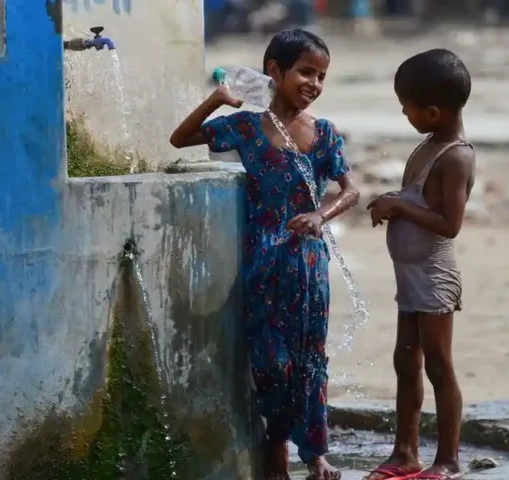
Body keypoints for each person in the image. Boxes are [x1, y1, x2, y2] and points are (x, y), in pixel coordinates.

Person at [169, 29, 359, 480]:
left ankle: (316, 455)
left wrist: (319, 214)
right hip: (263, 262)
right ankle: (275, 448)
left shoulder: (324, 133)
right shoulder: (247, 127)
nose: (314, 83)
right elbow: (181, 138)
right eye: (305, 72)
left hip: (309, 265)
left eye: (321, 76)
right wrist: (218, 99)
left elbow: (350, 191)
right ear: (275, 71)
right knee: (271, 361)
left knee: (312, 358)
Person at [364, 49, 475, 480]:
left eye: (406, 105)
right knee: (404, 361)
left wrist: (400, 207)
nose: (402, 112)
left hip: (433, 277)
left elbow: (450, 224)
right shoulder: (429, 145)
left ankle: (448, 460)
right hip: (409, 278)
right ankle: (405, 453)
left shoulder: (456, 157)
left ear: (432, 111)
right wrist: (395, 202)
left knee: (438, 366)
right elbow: (419, 199)